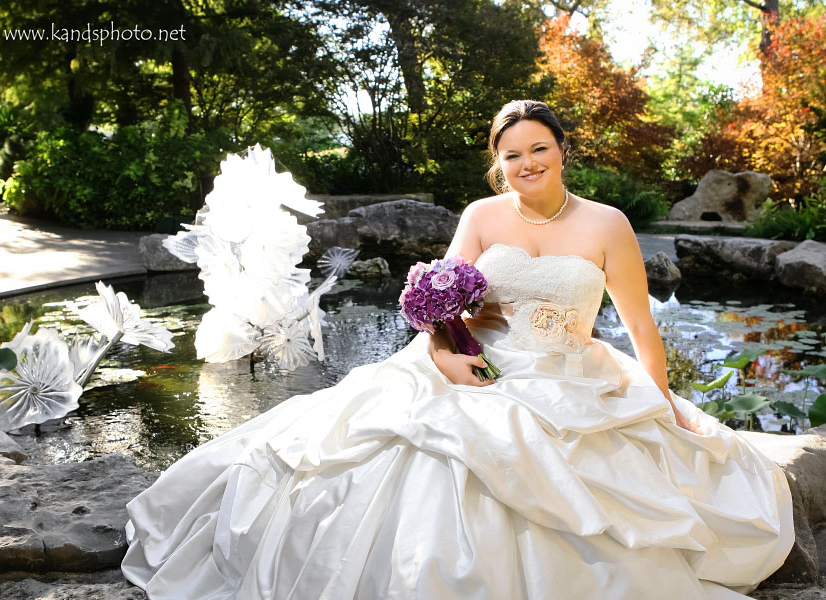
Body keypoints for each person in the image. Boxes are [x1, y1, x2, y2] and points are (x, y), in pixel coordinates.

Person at [121, 100, 794, 599]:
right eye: (512, 154)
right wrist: (445, 357)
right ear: (498, 163)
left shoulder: (608, 224)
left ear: (563, 150)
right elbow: (435, 304)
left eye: (538, 149)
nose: (526, 163)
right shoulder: (480, 216)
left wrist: (663, 402)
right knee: (395, 451)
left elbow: (641, 327)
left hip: (569, 372)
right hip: (475, 360)